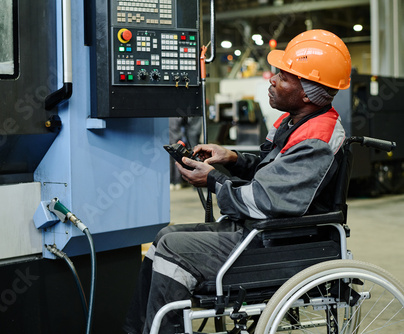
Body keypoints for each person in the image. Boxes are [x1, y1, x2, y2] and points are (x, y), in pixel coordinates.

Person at [123, 29, 352, 334]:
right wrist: (232, 158)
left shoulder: (316, 139)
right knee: (165, 234)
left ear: (308, 93)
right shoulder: (296, 122)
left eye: (283, 77)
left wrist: (214, 181)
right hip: (261, 233)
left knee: (173, 251)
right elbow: (272, 169)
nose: (271, 79)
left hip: (279, 242)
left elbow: (265, 200)